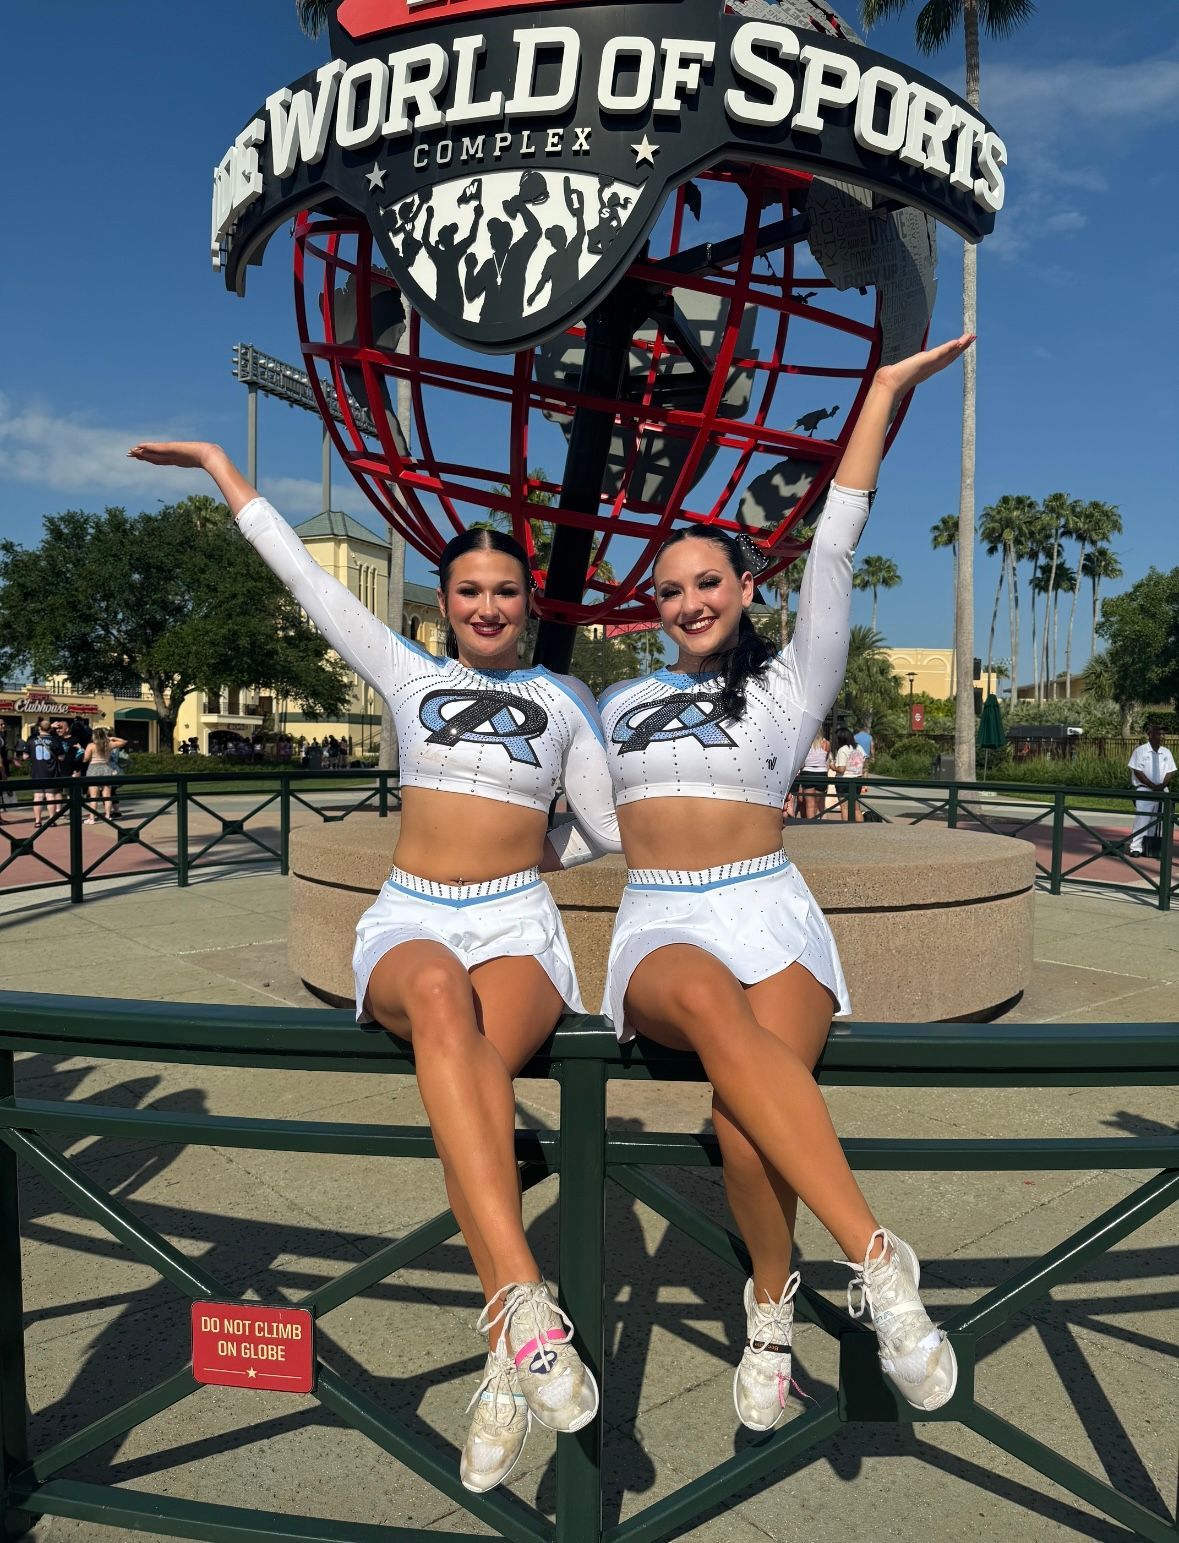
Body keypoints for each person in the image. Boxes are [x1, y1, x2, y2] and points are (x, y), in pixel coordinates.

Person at [129, 438, 620, 1494]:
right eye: (469, 591)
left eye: (504, 592)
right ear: (442, 602)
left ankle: (505, 1357)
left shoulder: (568, 702)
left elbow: (607, 827)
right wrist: (225, 470)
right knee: (441, 1008)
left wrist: (546, 849)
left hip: (520, 926)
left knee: (472, 1102)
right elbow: (306, 580)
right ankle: (527, 1301)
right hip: (414, 917)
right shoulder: (407, 670)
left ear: (530, 604)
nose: (487, 607)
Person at [588, 336, 974, 1434]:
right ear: (654, 606)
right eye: (670, 589)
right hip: (663, 921)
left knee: (749, 1126)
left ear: (744, 586)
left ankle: (769, 1312)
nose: (691, 599)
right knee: (708, 1005)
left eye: (709, 580)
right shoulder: (615, 706)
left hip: (771, 904)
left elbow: (837, 543)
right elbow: (566, 827)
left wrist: (884, 394)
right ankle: (878, 1262)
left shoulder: (793, 681)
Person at [1127, 723, 1176, 858]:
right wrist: (1151, 785)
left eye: (1163, 734)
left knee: (1157, 820)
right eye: (1158, 734)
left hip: (1161, 791)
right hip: (1145, 790)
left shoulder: (1166, 752)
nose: (1161, 737)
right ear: (1150, 735)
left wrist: (1162, 785)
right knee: (1142, 819)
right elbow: (1137, 771)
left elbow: (1171, 771)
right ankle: (1135, 847)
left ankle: (1150, 846)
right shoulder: (1141, 751)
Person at [83, 727, 128, 824]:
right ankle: (108, 816)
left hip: (94, 768)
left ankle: (92, 818)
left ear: (94, 736)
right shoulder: (109, 744)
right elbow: (124, 742)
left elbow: (85, 759)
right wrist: (112, 738)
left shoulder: (91, 745)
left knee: (93, 796)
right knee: (107, 795)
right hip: (106, 768)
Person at [27, 717, 66, 827]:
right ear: (50, 729)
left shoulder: (32, 740)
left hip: (37, 772)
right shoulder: (55, 740)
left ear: (39, 728)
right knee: (50, 796)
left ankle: (38, 821)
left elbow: (25, 756)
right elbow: (62, 757)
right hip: (51, 771)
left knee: (38, 797)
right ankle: (51, 820)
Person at [830, 728, 867, 822]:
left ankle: (845, 829)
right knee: (857, 808)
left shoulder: (842, 750)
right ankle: (861, 828)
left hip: (844, 781)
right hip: (857, 779)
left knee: (844, 807)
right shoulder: (859, 747)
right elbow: (865, 764)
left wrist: (832, 767)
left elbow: (841, 770)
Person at [800, 731, 828, 819]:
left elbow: (802, 763)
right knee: (816, 803)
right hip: (821, 773)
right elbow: (825, 759)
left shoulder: (805, 742)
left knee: (809, 804)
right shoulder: (826, 743)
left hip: (807, 772)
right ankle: (815, 823)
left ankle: (809, 825)